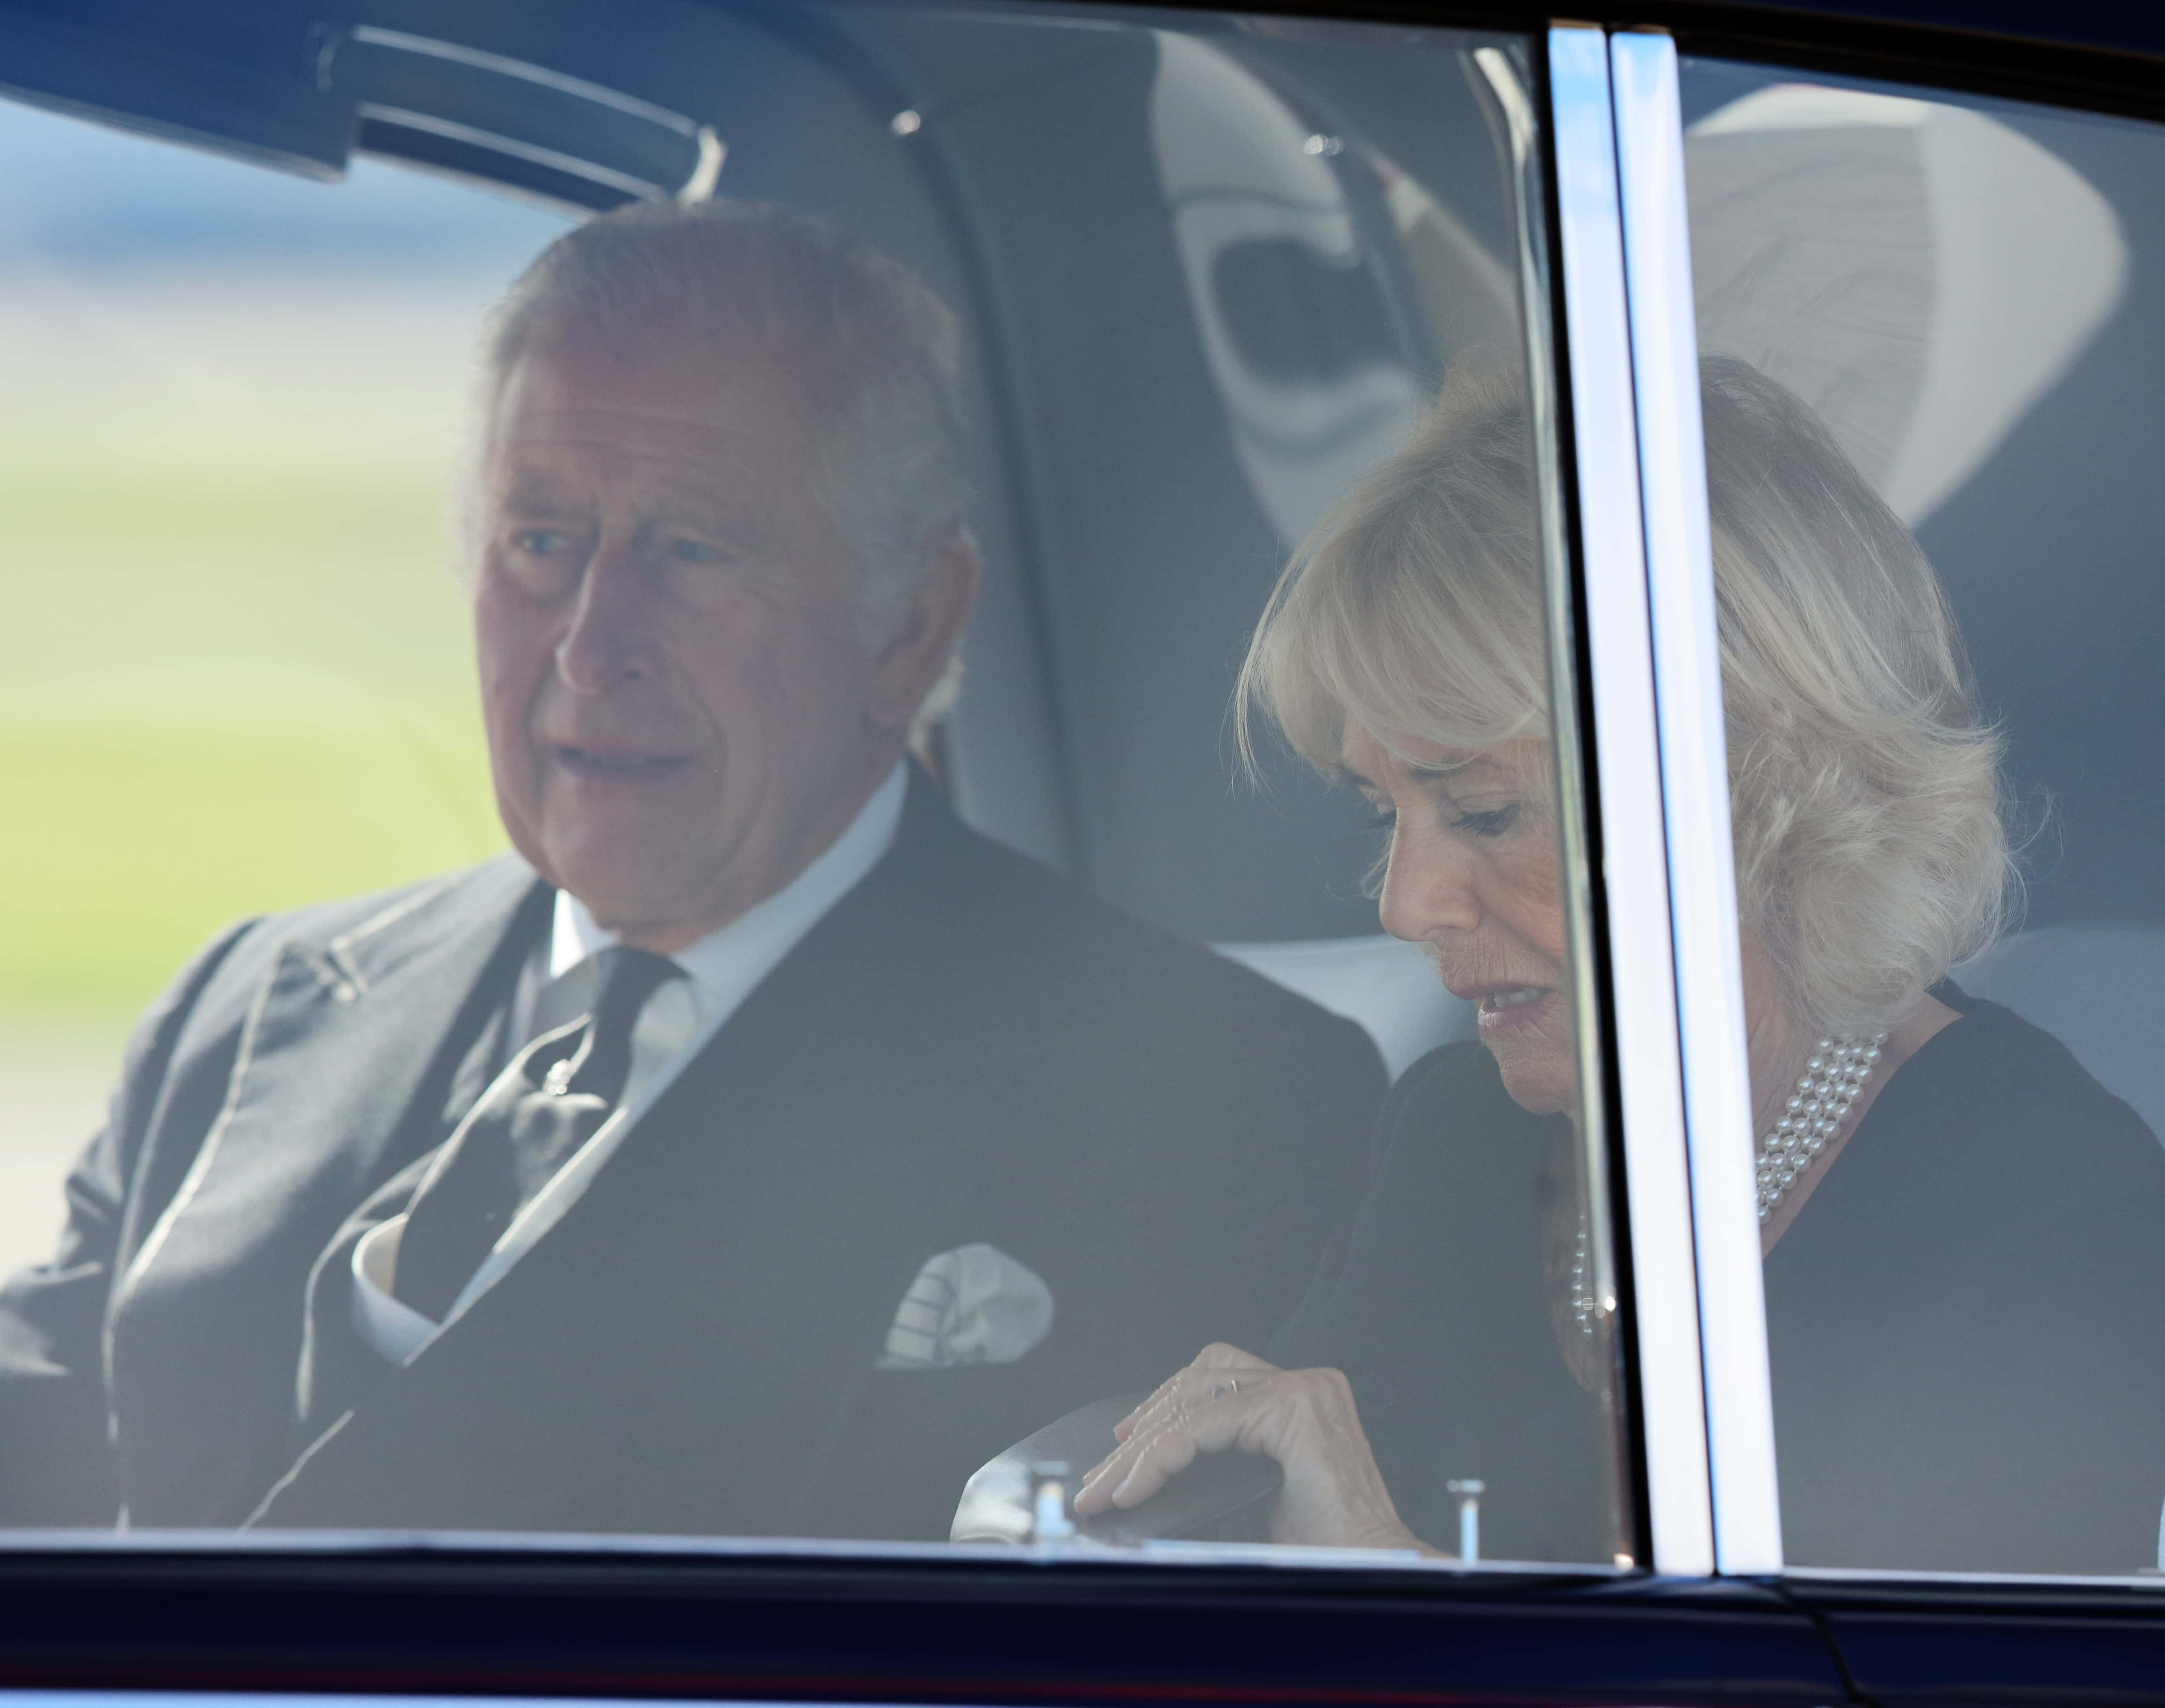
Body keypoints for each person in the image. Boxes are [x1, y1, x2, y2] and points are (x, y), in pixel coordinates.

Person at [0, 200, 1385, 1537]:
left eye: (692, 549)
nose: (590, 643)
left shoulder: (1218, 1099)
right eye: (541, 543)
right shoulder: (249, 1008)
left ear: (911, 624)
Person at [1075, 359, 2165, 1571]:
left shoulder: (2033, 1190)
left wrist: (1387, 1574)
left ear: (1753, 794)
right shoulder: (1453, 1140)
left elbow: (1930, 1672)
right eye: (1380, 812)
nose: (1406, 905)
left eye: (1484, 811)